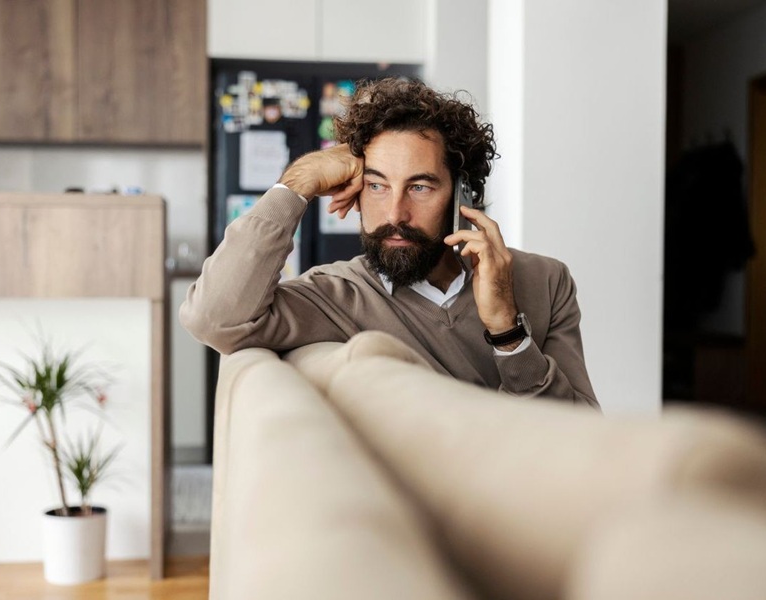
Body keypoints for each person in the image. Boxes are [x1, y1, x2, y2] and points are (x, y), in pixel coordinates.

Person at [180, 78, 598, 407]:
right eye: (377, 186)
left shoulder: (546, 281)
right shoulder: (336, 295)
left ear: (462, 196)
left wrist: (507, 330)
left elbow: (581, 436)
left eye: (419, 187)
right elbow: (213, 319)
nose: (395, 213)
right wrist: (295, 187)